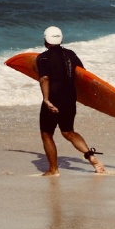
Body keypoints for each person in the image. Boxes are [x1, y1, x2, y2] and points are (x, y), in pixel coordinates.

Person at [36, 26, 105, 176]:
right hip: (69, 99)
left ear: (45, 40)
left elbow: (44, 78)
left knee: (47, 134)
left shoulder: (43, 58)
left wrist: (47, 100)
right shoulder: (71, 54)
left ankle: (53, 170)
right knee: (68, 131)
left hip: (53, 99)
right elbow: (82, 75)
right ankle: (90, 156)